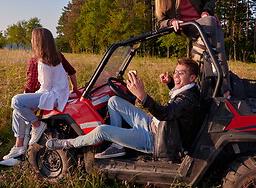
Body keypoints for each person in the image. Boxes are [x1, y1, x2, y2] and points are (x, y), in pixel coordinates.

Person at [46, 58, 200, 161]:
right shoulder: (190, 91)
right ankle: (117, 146)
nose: (177, 75)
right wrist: (171, 83)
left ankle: (68, 143)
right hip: (153, 125)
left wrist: (142, 96)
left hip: (155, 139)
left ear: (192, 78)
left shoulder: (187, 99)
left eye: (181, 73)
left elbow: (167, 112)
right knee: (113, 101)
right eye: (175, 71)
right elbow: (176, 106)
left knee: (102, 131)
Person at [1, 27, 78, 161]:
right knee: (17, 110)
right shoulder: (58, 56)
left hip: (50, 95)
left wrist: (27, 97)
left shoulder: (36, 60)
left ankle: (37, 125)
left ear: (36, 42)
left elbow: (34, 86)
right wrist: (75, 89)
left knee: (17, 102)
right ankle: (19, 147)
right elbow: (71, 72)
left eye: (32, 39)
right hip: (60, 95)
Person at [155, 0, 230, 97]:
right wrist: (171, 22)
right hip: (192, 29)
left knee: (217, 57)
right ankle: (202, 93)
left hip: (210, 24)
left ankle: (226, 94)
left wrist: (206, 12)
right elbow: (160, 22)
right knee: (203, 61)